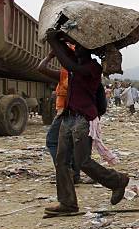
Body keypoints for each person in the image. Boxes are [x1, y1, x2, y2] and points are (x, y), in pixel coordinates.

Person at [44, 31, 129, 216]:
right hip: (69, 117)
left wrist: (54, 41)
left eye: (80, 46)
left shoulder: (92, 67)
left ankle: (117, 181)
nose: (76, 48)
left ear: (88, 50)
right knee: (61, 161)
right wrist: (57, 39)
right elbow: (66, 55)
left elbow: (68, 62)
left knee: (83, 161)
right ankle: (68, 204)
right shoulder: (79, 62)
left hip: (83, 119)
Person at [37, 50, 81, 184]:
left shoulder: (67, 74)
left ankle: (65, 172)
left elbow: (41, 68)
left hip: (66, 113)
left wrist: (51, 55)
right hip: (76, 113)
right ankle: (73, 174)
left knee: (52, 141)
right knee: (71, 144)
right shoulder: (82, 72)